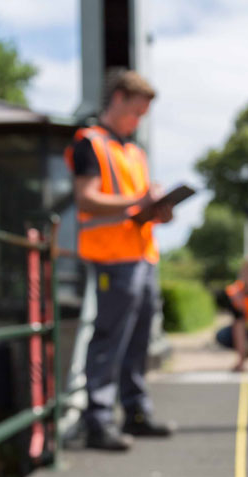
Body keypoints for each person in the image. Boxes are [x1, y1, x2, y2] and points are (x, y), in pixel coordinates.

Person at [66, 68, 175, 451]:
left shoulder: (133, 151)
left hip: (142, 255)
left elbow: (136, 206)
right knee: (110, 337)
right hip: (112, 257)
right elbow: (85, 198)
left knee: (139, 339)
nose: (138, 120)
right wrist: (137, 203)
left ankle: (136, 412)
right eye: (136, 111)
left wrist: (157, 210)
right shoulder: (89, 144)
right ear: (117, 100)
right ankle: (98, 420)